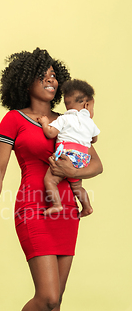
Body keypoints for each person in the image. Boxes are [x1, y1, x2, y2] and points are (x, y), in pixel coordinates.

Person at [0, 48, 102, 311]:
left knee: (56, 297)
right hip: (33, 207)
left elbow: (96, 163)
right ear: (25, 80)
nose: (51, 79)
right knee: (46, 294)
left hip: (65, 211)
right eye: (42, 74)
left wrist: (73, 172)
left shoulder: (70, 118)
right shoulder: (14, 120)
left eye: (54, 75)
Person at [37, 79, 100, 217]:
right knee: (77, 187)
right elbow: (94, 139)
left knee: (50, 180)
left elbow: (50, 133)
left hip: (66, 155)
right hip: (82, 159)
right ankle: (87, 207)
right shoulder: (90, 122)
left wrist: (45, 122)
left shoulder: (64, 119)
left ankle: (57, 204)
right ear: (87, 105)